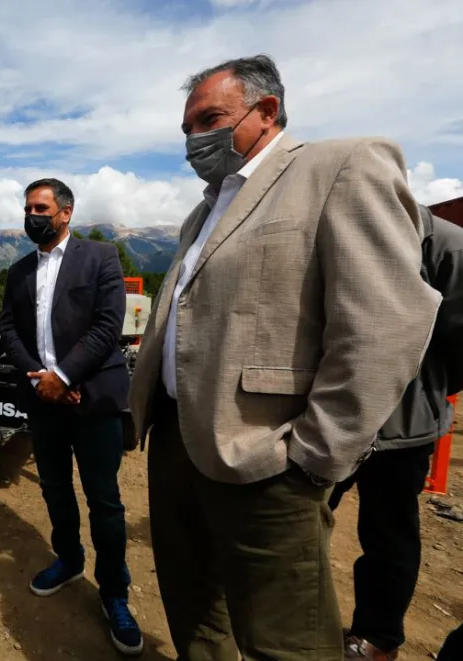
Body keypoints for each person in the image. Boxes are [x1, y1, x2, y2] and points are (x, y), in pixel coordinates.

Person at [127, 54, 442, 661]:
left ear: (266, 110)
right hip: (175, 443)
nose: (196, 139)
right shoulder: (205, 207)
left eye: (210, 119)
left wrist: (314, 457)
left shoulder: (341, 166)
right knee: (195, 613)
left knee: (285, 641)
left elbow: (383, 323)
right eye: (187, 128)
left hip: (265, 458)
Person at [0, 178, 142, 656]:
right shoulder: (19, 270)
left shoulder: (100, 257)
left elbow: (108, 325)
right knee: (55, 487)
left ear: (65, 212)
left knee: (104, 500)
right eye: (27, 208)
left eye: (40, 207)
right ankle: (68, 559)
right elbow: (8, 327)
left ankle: (115, 593)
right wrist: (39, 378)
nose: (31, 216)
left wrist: (63, 375)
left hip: (93, 399)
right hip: (44, 401)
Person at [330, 204, 463, 661]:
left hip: (402, 426)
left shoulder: (445, 245)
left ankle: (378, 637)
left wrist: (423, 389)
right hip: (328, 417)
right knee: (301, 522)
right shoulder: (340, 229)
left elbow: (460, 341)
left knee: (388, 536)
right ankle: (289, 616)